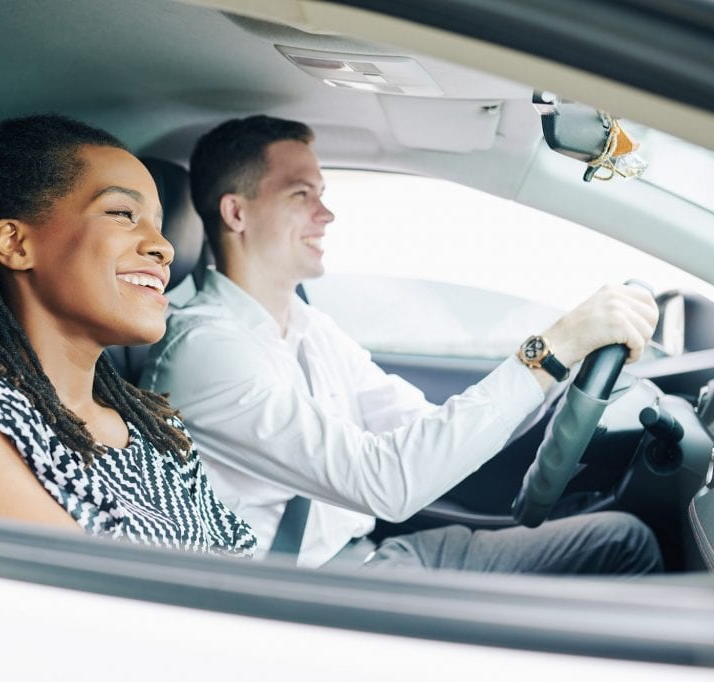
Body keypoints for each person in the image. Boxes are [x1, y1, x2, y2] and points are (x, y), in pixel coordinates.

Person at [141, 114, 663, 572]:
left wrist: (558, 374)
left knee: (622, 538)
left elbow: (421, 428)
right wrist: (549, 351)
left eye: (322, 194)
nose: (326, 215)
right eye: (302, 195)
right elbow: (387, 482)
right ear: (236, 213)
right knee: (625, 550)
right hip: (306, 595)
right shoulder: (205, 350)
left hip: (369, 556)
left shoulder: (306, 325)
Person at [0, 114, 256, 557]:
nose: (163, 247)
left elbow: (236, 563)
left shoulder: (157, 428)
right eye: (122, 214)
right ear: (15, 244)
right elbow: (89, 605)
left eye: (158, 224)